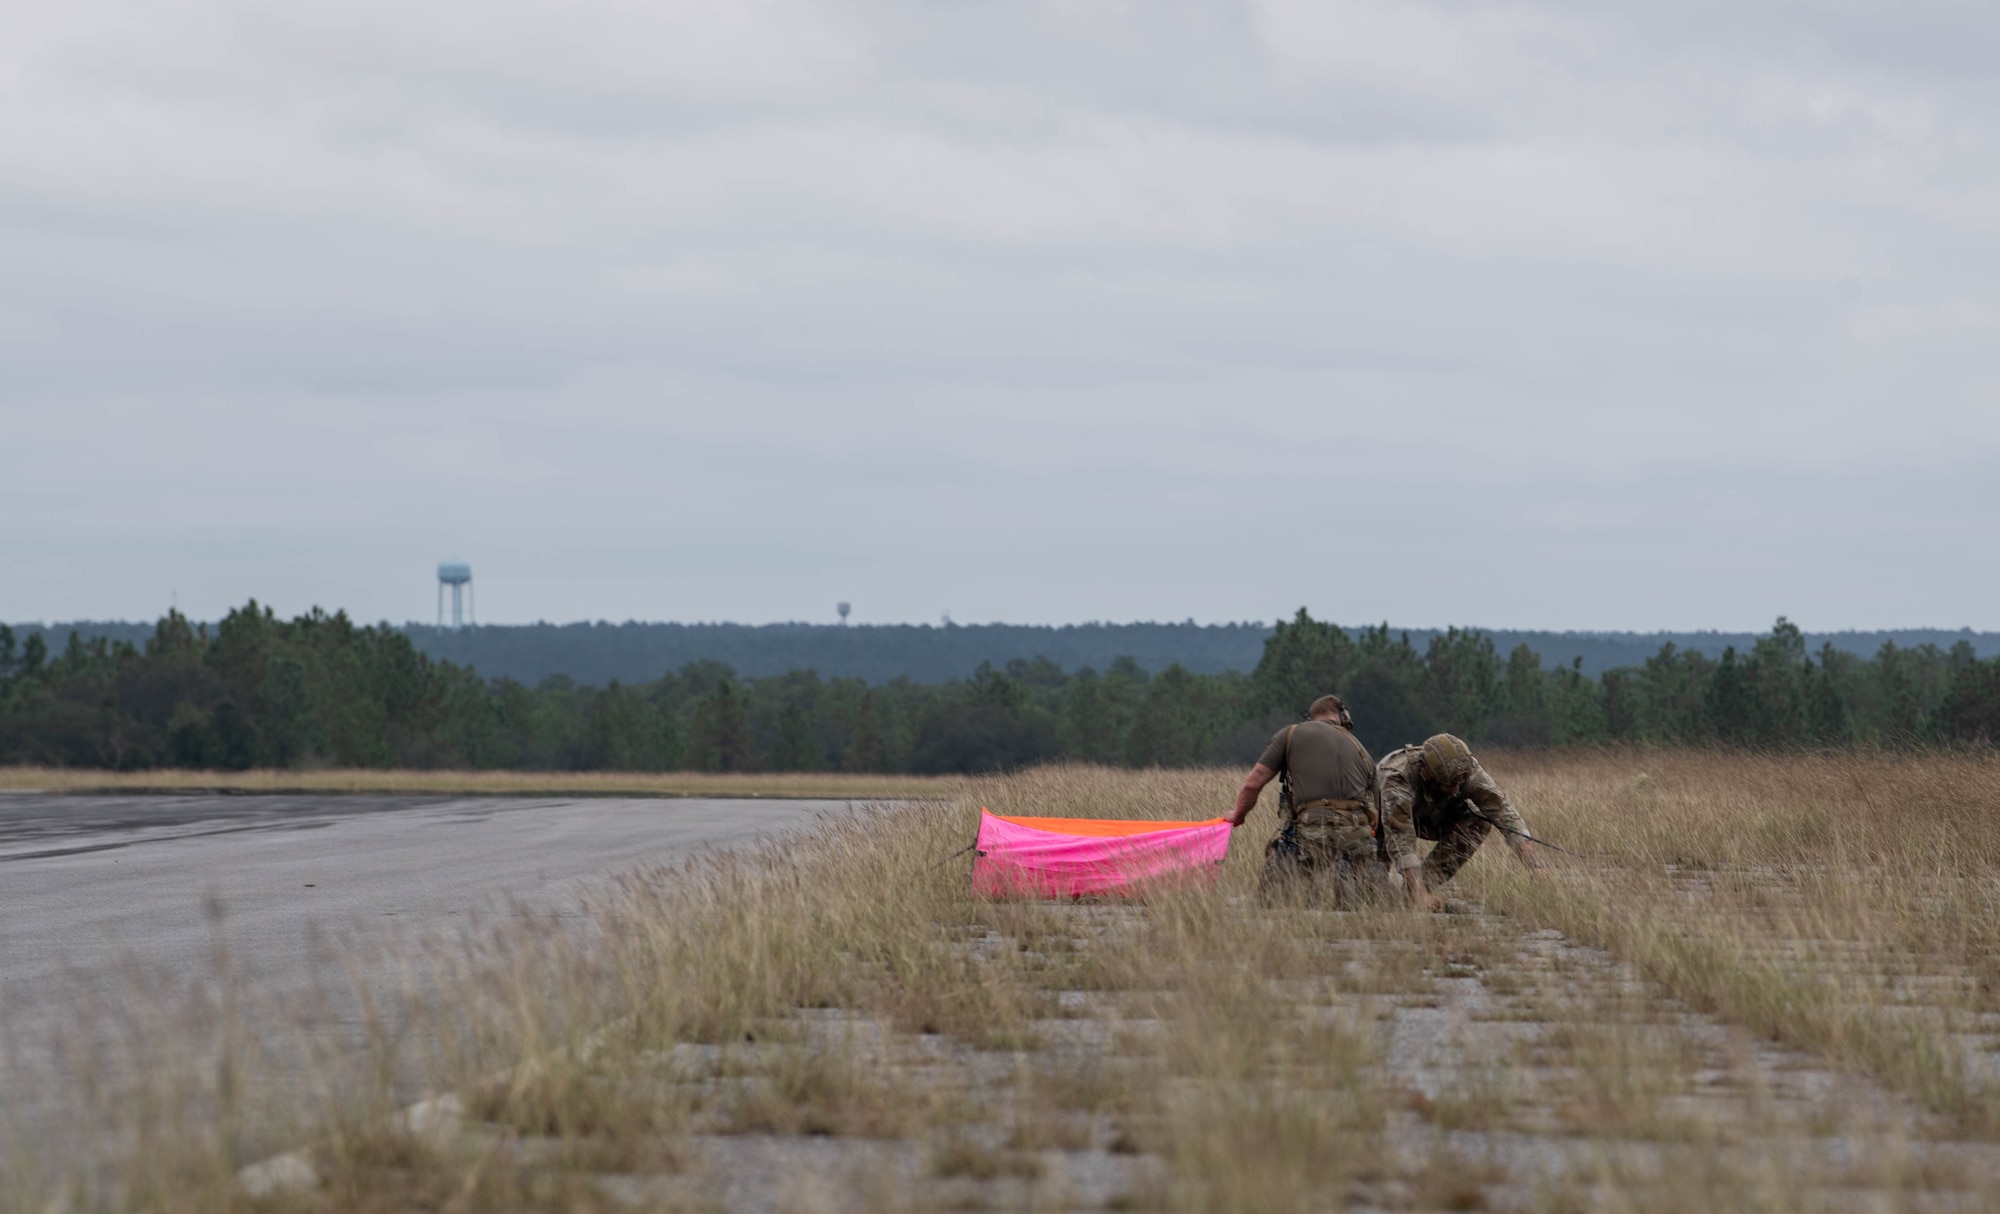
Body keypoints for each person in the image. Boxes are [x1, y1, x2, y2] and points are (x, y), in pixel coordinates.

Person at [1226, 694, 1394, 905]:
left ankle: (1305, 893)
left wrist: (1238, 814)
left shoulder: (1291, 734)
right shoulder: (1362, 751)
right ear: (1341, 715)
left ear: (1312, 716)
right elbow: (1375, 819)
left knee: (1273, 892)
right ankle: (1358, 884)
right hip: (1358, 838)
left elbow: (1254, 782)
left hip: (1314, 832)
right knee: (1364, 897)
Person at [1377, 733, 1544, 911]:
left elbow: (1503, 811)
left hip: (1433, 814)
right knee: (1372, 889)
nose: (1457, 788)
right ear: (1429, 776)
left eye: (1460, 782)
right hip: (1382, 819)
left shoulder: (1464, 767)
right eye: (1450, 784)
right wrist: (1419, 892)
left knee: (1479, 821)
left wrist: (1534, 866)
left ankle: (1419, 890)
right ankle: (1405, 893)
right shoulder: (1397, 777)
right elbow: (1400, 836)